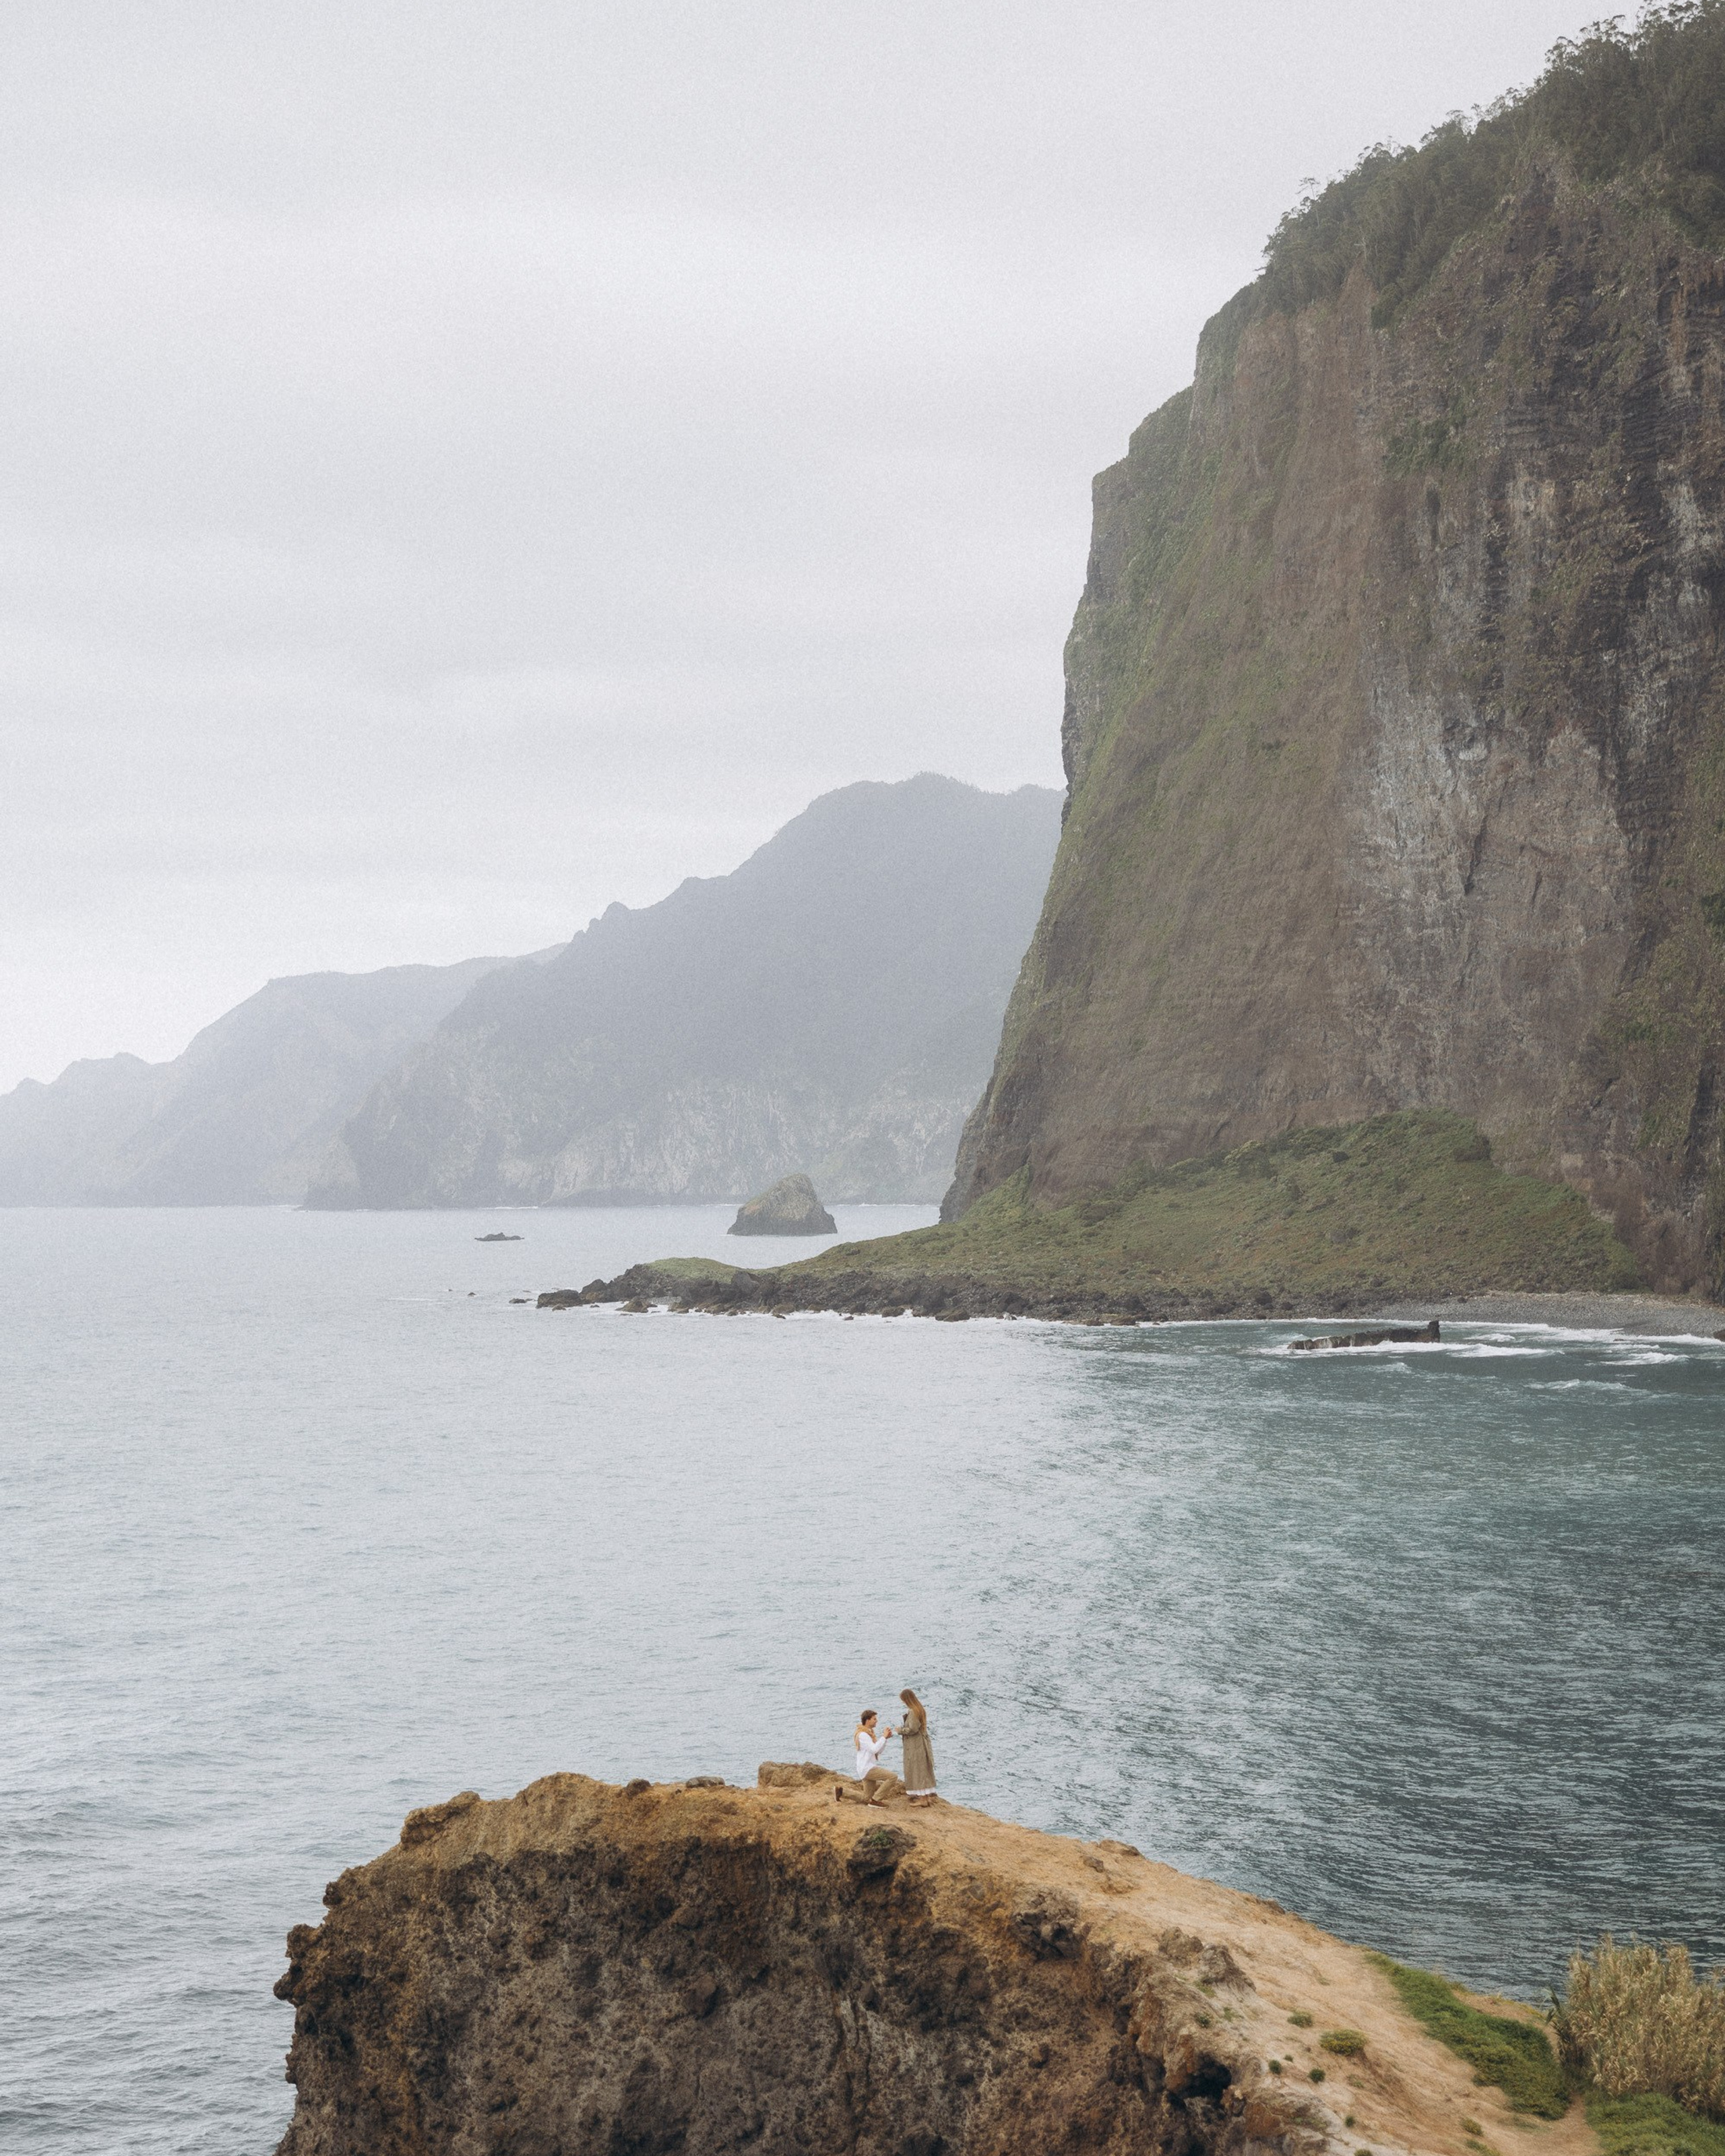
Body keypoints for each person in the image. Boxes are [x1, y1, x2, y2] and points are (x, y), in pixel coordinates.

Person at [836, 1709, 902, 1804]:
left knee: (866, 1799)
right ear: (868, 1720)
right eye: (874, 1719)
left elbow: (878, 1751)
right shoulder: (863, 1735)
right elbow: (874, 1749)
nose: (877, 1721)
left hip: (865, 1768)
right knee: (893, 1777)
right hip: (867, 1768)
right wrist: (883, 1737)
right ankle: (876, 1800)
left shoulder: (868, 1734)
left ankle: (841, 1792)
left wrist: (885, 1739)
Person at [898, 1688, 937, 1804]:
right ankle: (926, 1797)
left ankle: (923, 1799)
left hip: (916, 1745)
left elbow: (913, 1729)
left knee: (918, 1770)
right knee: (923, 1769)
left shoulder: (913, 1711)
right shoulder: (920, 1709)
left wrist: (900, 1730)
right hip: (921, 1743)